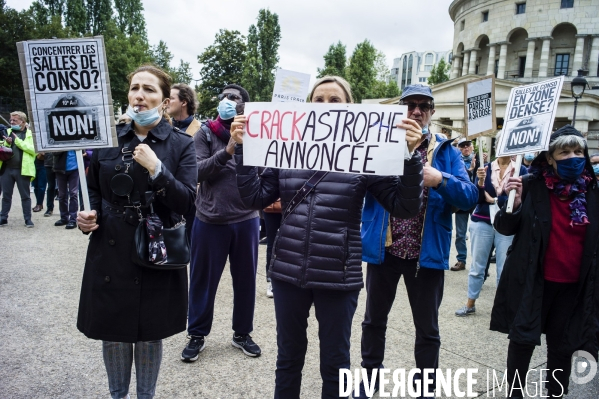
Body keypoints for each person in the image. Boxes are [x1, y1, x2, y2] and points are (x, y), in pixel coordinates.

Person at [232, 75, 424, 399]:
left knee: (336, 365)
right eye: (318, 100)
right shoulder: (287, 146)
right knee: (288, 359)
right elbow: (253, 198)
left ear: (349, 108)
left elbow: (403, 207)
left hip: (338, 275)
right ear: (307, 107)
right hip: (288, 272)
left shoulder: (368, 152)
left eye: (335, 100)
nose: (325, 106)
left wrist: (410, 157)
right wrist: (241, 150)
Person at [76, 64, 196, 399]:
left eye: (149, 90)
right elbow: (94, 190)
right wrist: (87, 215)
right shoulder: (108, 139)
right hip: (110, 249)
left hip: (154, 248)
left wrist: (157, 169)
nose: (139, 96)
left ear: (164, 101)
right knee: (112, 331)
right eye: (134, 88)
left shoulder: (180, 145)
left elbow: (188, 203)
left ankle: (146, 396)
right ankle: (118, 395)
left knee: (148, 333)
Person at [357, 84, 478, 398]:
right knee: (373, 322)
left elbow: (469, 198)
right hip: (385, 251)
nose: (416, 110)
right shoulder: (381, 143)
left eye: (424, 106)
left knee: (428, 330)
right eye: (410, 104)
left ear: (432, 112)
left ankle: (426, 387)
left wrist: (440, 179)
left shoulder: (446, 152)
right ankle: (369, 381)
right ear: (400, 109)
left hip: (426, 257)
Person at [491, 125, 599, 398]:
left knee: (562, 348)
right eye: (564, 152)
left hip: (573, 287)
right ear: (549, 158)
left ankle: (555, 394)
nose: (573, 157)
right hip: (534, 280)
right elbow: (504, 228)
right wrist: (512, 204)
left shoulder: (593, 192)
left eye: (578, 151)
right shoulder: (529, 185)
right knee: (522, 342)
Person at [181, 83, 263, 363]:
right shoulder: (205, 132)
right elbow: (196, 171)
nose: (227, 101)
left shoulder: (257, 134)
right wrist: (228, 150)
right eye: (224, 97)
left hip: (246, 220)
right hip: (210, 220)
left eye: (234, 97)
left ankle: (242, 333)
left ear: (244, 106)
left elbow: (264, 171)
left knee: (245, 281)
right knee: (203, 281)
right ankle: (197, 334)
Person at [455, 154, 527, 317]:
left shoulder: (520, 170)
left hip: (507, 225)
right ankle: (470, 303)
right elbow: (476, 197)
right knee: (477, 266)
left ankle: (502, 308)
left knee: (504, 269)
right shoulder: (485, 168)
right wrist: (480, 183)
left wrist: (494, 200)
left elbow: (519, 199)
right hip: (482, 221)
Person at [167, 83, 201, 241]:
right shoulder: (162, 128)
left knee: (192, 244)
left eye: (171, 98)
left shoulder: (202, 130)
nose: (166, 102)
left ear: (184, 102)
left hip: (193, 200)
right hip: (168, 195)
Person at [0, 111, 36, 228]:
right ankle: (3, 217)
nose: (11, 122)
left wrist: (18, 142)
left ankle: (28, 219)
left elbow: (33, 150)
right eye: (11, 120)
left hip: (22, 170)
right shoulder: (8, 132)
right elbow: (2, 146)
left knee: (25, 196)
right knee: (6, 195)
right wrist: (7, 142)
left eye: (14, 120)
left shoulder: (30, 134)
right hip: (7, 169)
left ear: (23, 122)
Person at [451, 137, 477, 271]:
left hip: (477, 203)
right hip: (461, 204)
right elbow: (457, 180)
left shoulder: (480, 161)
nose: (466, 148)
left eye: (468, 145)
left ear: (472, 147)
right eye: (462, 146)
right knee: (461, 234)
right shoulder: (456, 161)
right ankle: (461, 260)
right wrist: (469, 170)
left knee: (478, 233)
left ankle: (479, 264)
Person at [53, 150, 80, 229]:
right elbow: (54, 152)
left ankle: (73, 219)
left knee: (73, 194)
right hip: (60, 169)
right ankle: (64, 218)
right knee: (62, 195)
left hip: (75, 168)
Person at [43, 152, 57, 216]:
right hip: (49, 163)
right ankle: (49, 208)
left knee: (63, 187)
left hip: (61, 162)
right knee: (51, 186)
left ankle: (64, 211)